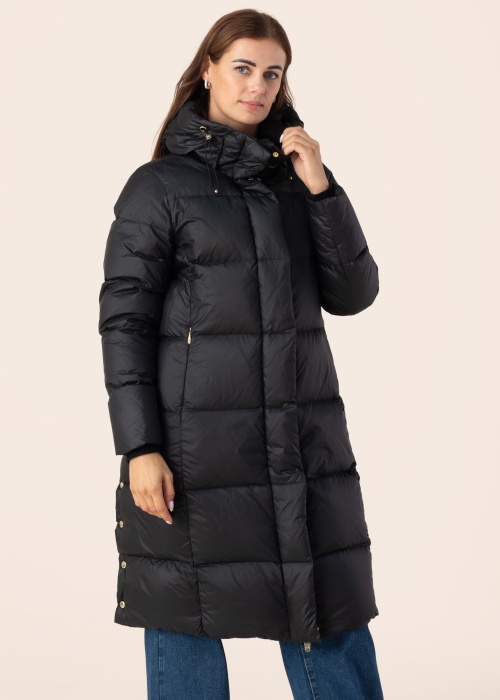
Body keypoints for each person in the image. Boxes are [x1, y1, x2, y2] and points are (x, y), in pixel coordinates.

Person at [98, 8, 384, 699]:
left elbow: (354, 293)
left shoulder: (297, 182)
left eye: (272, 73)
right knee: (185, 614)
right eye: (243, 68)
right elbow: (124, 324)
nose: (258, 86)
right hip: (196, 453)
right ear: (208, 70)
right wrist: (140, 447)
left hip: (300, 446)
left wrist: (321, 188)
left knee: (327, 610)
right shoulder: (159, 187)